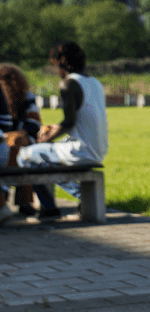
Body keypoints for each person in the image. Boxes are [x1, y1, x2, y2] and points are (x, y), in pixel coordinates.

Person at [4, 42, 108, 225]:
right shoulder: (95, 82)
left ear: (63, 62)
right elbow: (82, 119)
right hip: (98, 149)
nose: (55, 71)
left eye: (54, 65)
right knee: (42, 155)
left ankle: (52, 207)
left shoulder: (69, 83)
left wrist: (46, 138)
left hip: (79, 151)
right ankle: (58, 203)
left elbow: (69, 122)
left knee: (25, 156)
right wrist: (54, 129)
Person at [0, 64, 45, 220]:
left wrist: (15, 134)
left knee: (16, 145)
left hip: (25, 138)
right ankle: (17, 198)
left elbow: (33, 123)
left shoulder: (27, 98)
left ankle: (18, 198)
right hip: (5, 139)